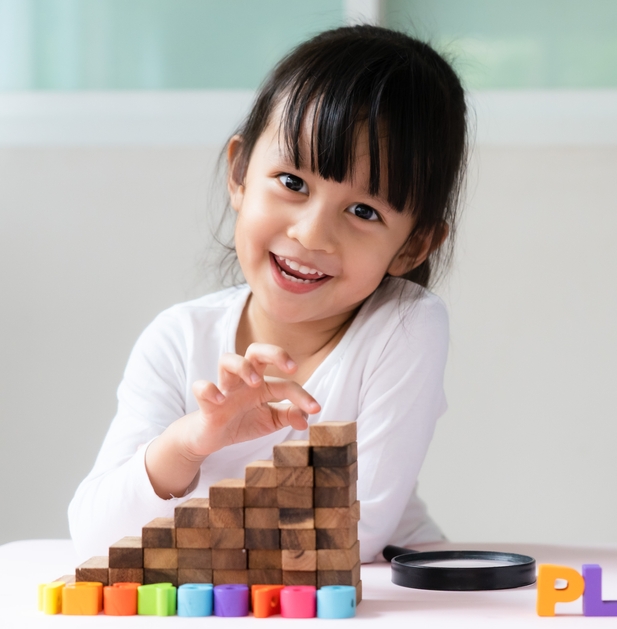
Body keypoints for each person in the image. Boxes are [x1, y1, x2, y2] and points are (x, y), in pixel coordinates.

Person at [69, 25, 467, 564]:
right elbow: (96, 540)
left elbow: (355, 531)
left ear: (413, 245)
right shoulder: (177, 340)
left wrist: (171, 541)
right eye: (293, 183)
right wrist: (191, 443)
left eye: (364, 211)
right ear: (240, 173)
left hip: (375, 607)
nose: (311, 234)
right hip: (235, 618)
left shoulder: (404, 326)